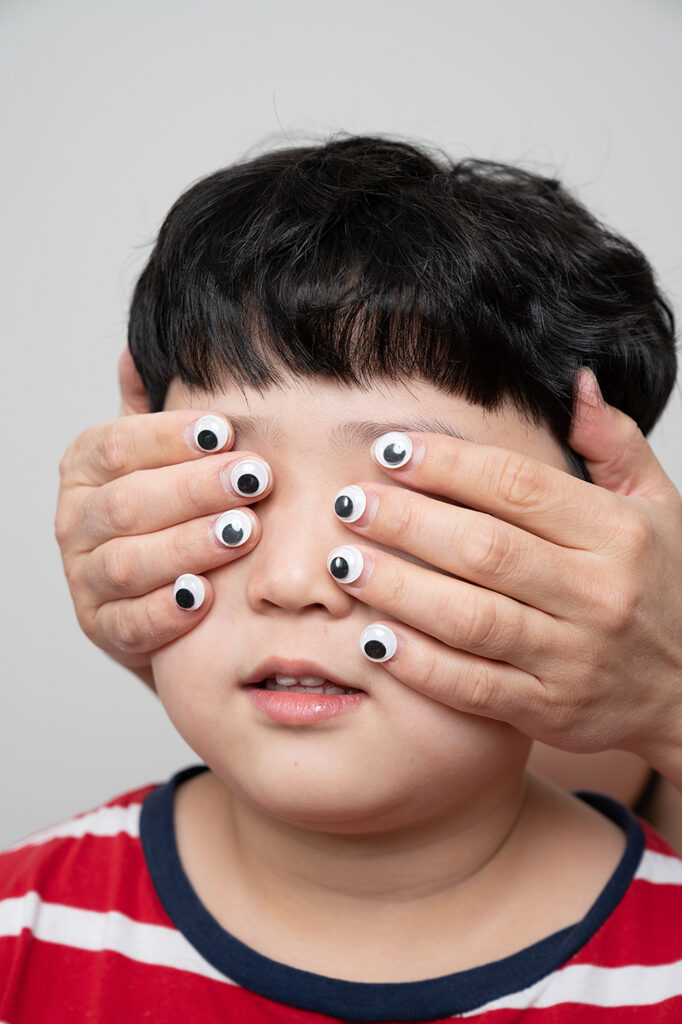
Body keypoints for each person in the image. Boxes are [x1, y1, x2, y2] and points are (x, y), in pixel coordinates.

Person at [4, 134, 682, 1019]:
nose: (292, 581)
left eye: (400, 488)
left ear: (606, 562)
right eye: (238, 483)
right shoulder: (24, 932)